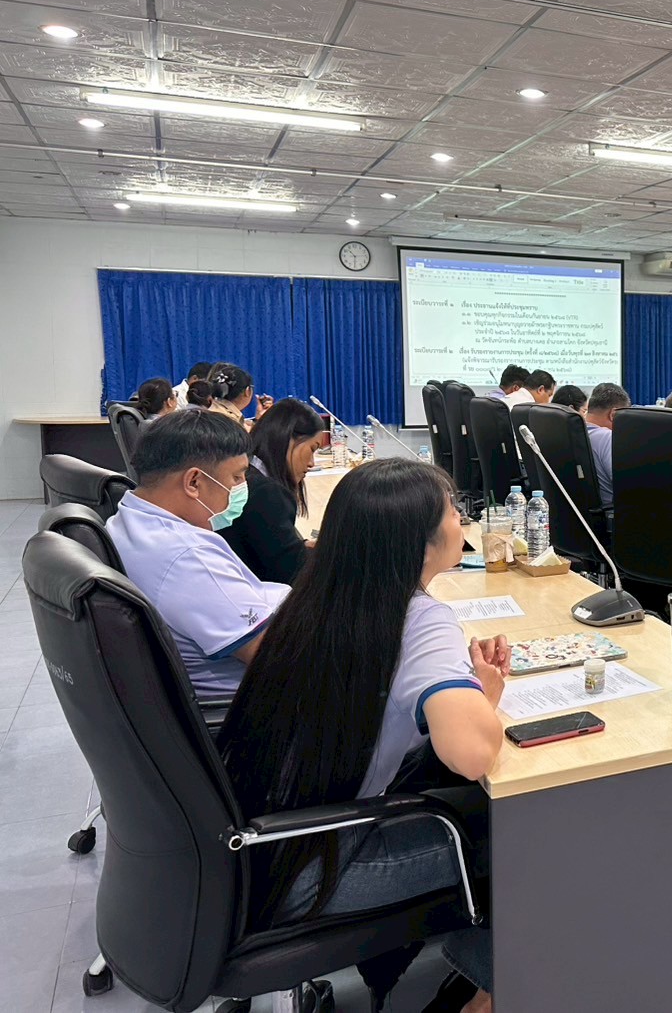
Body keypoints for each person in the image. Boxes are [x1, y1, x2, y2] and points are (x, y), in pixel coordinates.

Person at [217, 459, 505, 1013]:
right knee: (528, 832)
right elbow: (471, 754)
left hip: (257, 850)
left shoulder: (320, 593)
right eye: (452, 509)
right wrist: (480, 697)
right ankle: (489, 993)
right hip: (318, 867)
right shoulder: (420, 617)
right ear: (419, 543)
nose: (460, 519)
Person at [105, 408, 289, 697]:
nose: (243, 488)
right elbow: (275, 655)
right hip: (255, 703)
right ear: (193, 482)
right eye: (237, 477)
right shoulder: (188, 557)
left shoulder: (128, 517)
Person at [222, 398, 321, 585]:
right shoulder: (267, 493)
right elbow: (292, 574)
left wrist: (299, 547)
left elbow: (268, 546)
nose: (311, 463)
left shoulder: (250, 474)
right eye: (312, 449)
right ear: (289, 439)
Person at [584, 382, 630, 509]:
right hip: (612, 514)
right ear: (613, 415)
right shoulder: (607, 438)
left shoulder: (573, 434)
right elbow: (627, 486)